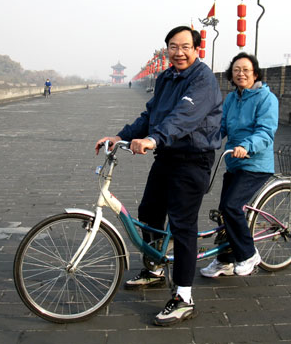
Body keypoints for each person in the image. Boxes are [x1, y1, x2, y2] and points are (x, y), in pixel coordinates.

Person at [95, 25, 222, 326]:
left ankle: (184, 296)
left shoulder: (203, 79)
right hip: (167, 155)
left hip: (193, 159)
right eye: (173, 47)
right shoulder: (165, 77)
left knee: (182, 225)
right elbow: (150, 115)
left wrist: (154, 139)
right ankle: (153, 269)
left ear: (196, 49)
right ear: (166, 49)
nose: (178, 52)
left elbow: (184, 117)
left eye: (185, 47)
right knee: (149, 210)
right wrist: (120, 136)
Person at [200, 52, 279, 278]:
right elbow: (221, 126)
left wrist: (247, 145)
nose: (241, 74)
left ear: (255, 73)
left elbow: (265, 132)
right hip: (234, 162)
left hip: (255, 164)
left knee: (231, 207)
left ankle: (249, 254)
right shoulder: (233, 99)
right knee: (224, 212)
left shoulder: (266, 99)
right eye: (236, 70)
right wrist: (204, 141)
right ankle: (225, 260)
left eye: (245, 69)